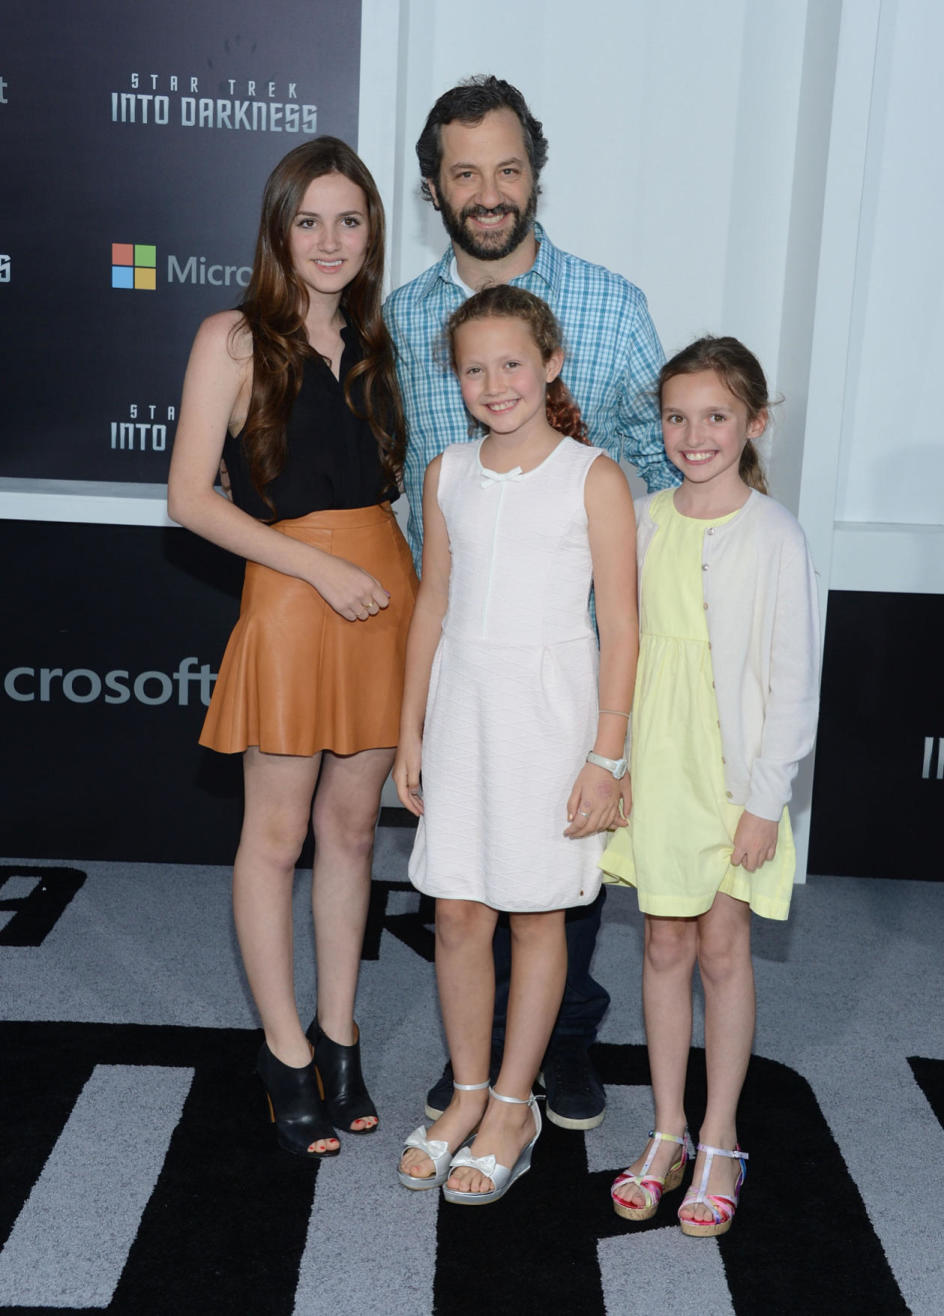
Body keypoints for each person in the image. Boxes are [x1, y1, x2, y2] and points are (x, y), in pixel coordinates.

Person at [384, 73, 680, 1129]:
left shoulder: (611, 305)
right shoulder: (401, 320)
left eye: (507, 167)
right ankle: (477, 1067)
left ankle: (554, 1047)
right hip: (458, 641)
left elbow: (658, 453)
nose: (489, 188)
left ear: (533, 172)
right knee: (462, 883)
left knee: (559, 881)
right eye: (465, 172)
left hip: (574, 643)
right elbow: (399, 474)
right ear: (435, 187)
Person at [167, 137, 417, 1158]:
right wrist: (315, 569)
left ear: (371, 233)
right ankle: (282, 1048)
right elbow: (189, 499)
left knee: (354, 831)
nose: (329, 240)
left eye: (348, 220)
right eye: (308, 220)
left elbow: (390, 491)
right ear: (278, 230)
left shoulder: (377, 342)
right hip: (292, 594)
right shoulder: (229, 337)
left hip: (383, 594)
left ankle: (339, 1031)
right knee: (275, 836)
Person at [393, 286, 638, 1202]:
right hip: (463, 707)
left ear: (550, 364)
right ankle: (463, 1092)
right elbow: (431, 604)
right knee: (456, 911)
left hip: (552, 715)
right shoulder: (447, 471)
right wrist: (408, 727)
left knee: (538, 914)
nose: (494, 384)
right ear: (454, 379)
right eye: (473, 368)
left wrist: (606, 756)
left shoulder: (593, 475)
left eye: (510, 363)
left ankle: (510, 1104)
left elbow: (621, 625)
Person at [601, 337, 820, 1235]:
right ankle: (666, 1130)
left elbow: (792, 677)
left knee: (722, 947)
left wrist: (764, 800)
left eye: (716, 417)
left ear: (753, 423)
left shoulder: (774, 535)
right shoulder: (644, 516)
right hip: (655, 762)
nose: (694, 436)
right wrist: (609, 763)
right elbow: (619, 646)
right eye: (677, 417)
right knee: (661, 944)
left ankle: (720, 1135)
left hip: (729, 778)